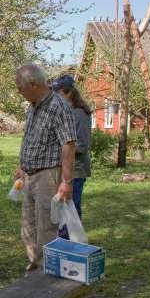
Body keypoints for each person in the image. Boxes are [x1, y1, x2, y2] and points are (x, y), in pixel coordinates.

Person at [14, 63, 76, 272]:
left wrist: (66, 181)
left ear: (32, 84)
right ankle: (34, 266)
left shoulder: (60, 107)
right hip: (30, 176)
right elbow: (29, 138)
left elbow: (68, 145)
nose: (18, 91)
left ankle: (46, 274)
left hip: (48, 176)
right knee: (28, 226)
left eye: (19, 87)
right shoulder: (32, 107)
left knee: (46, 228)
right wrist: (21, 164)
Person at [52, 74, 92, 238]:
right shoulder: (66, 111)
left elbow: (82, 145)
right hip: (65, 169)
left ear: (68, 92)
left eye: (57, 93)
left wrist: (59, 147)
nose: (54, 97)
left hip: (76, 170)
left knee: (72, 211)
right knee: (63, 210)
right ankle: (64, 243)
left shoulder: (79, 114)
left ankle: (71, 245)